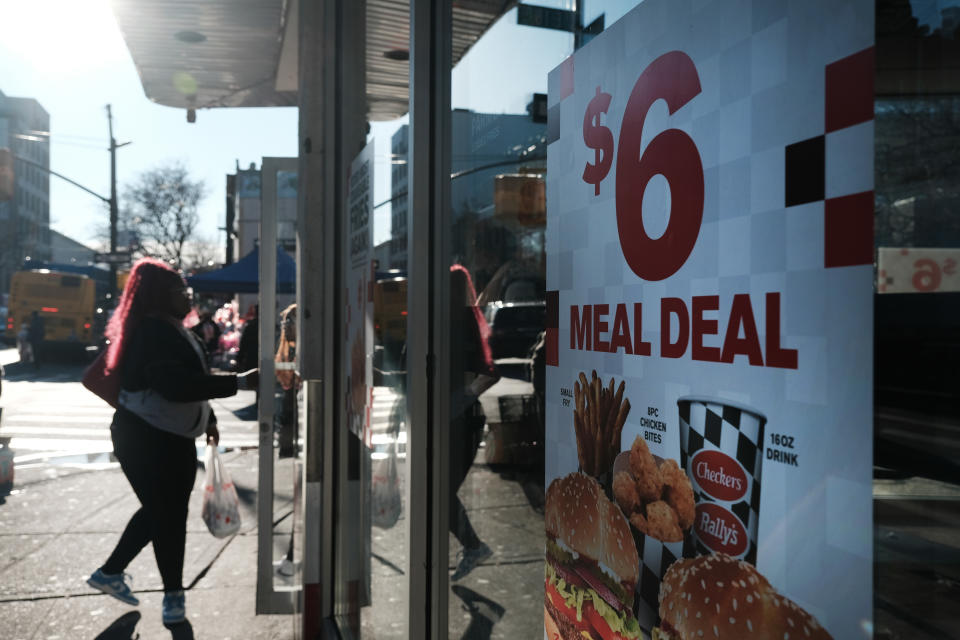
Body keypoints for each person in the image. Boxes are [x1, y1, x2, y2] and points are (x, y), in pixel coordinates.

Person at [84, 258, 257, 626]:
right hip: (149, 438)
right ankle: (169, 596)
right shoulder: (153, 332)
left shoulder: (175, 329)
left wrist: (207, 418)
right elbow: (174, 386)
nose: (188, 296)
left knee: (162, 511)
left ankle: (119, 576)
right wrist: (240, 382)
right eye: (180, 290)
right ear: (161, 295)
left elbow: (190, 382)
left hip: (163, 435)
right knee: (167, 513)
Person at [449, 264, 499, 581]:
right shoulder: (441, 322)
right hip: (449, 419)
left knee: (440, 494)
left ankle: (475, 547)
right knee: (437, 492)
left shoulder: (465, 321)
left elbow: (490, 373)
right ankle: (472, 547)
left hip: (462, 420)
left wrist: (464, 397)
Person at [275, 303, 299, 458]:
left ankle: (288, 447)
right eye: (284, 323)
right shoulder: (289, 346)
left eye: (288, 323)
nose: (284, 328)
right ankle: (287, 447)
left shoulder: (302, 346)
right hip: (290, 394)